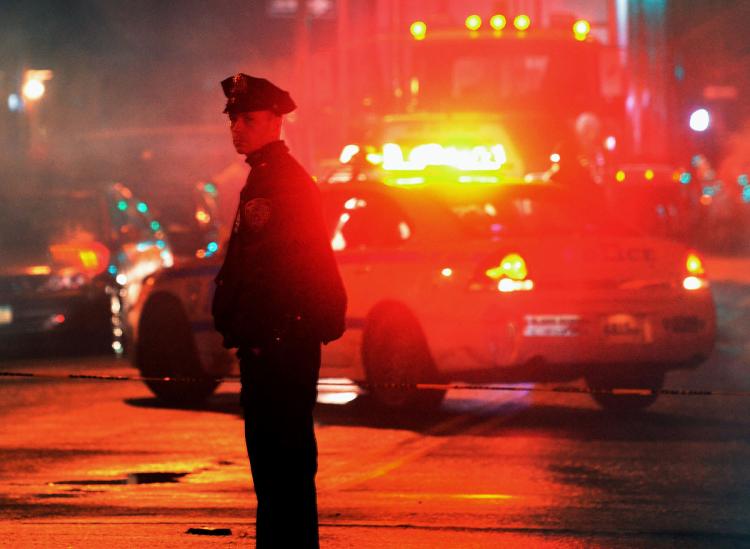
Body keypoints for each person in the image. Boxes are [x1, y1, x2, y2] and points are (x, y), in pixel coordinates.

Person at [212, 73, 347, 547]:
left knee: (280, 464)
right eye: (233, 119)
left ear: (275, 122)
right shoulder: (267, 178)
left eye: (248, 119)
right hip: (274, 342)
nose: (237, 128)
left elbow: (280, 267)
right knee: (277, 467)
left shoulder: (281, 182)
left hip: (278, 346)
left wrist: (264, 331)